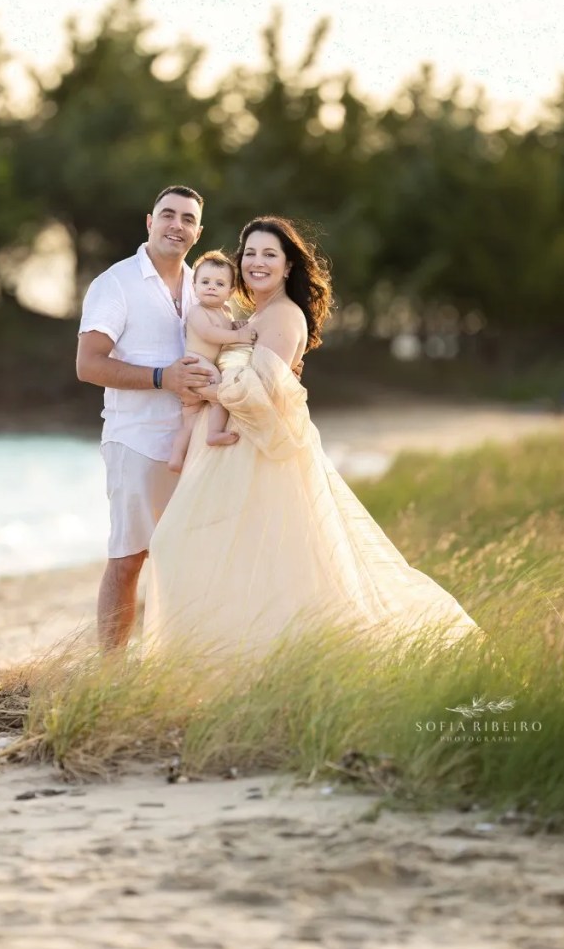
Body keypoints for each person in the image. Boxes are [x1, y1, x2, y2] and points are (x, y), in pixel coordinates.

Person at [143, 216, 480, 661]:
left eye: (270, 254)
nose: (257, 262)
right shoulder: (254, 316)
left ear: (287, 266)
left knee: (185, 548)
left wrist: (198, 387)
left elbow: (260, 394)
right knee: (225, 562)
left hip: (254, 454)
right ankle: (226, 666)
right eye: (250, 254)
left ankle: (246, 662)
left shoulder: (284, 315)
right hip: (232, 450)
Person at [76, 185, 214, 652]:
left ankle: (172, 664)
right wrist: (162, 378)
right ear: (150, 222)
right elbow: (88, 365)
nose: (177, 225)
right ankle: (111, 675)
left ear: (198, 232)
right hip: (134, 441)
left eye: (188, 219)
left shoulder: (203, 286)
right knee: (129, 558)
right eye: (168, 214)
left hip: (193, 445)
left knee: (186, 560)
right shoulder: (115, 283)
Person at [168, 250, 258, 473]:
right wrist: (238, 336)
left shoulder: (225, 311)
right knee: (221, 397)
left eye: (219, 284)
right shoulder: (197, 311)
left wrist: (235, 325)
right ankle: (214, 433)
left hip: (202, 367)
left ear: (230, 291)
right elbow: (209, 334)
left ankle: (177, 459)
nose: (211, 287)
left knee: (190, 421)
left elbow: (224, 328)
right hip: (197, 365)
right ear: (194, 286)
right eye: (205, 282)